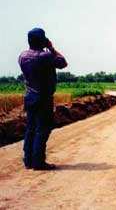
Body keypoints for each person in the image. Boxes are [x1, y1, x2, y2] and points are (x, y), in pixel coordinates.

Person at [18, 28, 68, 170]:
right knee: (43, 129)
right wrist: (51, 47)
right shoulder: (45, 56)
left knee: (30, 129)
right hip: (43, 97)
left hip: (29, 97)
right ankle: (38, 161)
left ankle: (28, 160)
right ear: (43, 40)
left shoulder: (22, 56)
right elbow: (63, 63)